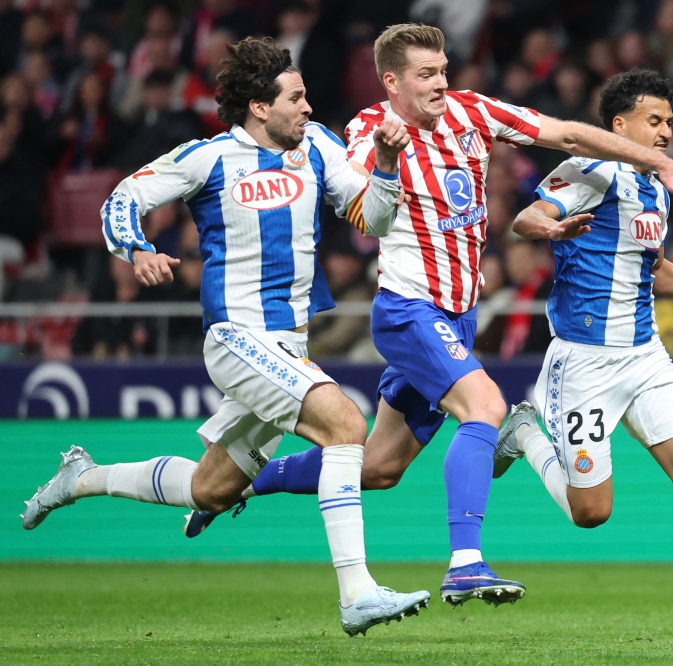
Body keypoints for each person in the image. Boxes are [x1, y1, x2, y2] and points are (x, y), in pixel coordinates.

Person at [182, 25, 673, 609]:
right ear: (391, 81)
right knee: (485, 406)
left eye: (443, 70)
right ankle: (465, 564)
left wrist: (659, 163)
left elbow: (564, 133)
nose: (442, 82)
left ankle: (241, 484)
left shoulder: (472, 112)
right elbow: (361, 206)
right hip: (409, 308)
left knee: (382, 467)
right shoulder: (368, 131)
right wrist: (384, 161)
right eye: (426, 74)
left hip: (458, 314)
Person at [20, 36, 430, 637]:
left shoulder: (318, 146)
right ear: (260, 107)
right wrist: (136, 248)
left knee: (209, 489)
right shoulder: (205, 158)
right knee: (346, 424)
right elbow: (122, 198)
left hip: (288, 347)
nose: (309, 108)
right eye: (297, 97)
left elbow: (374, 218)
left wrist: (387, 167)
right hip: (237, 340)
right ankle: (357, 593)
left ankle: (80, 478)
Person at [493, 69, 673, 650]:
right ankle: (524, 432)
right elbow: (526, 219)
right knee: (591, 513)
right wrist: (554, 228)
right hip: (584, 363)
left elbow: (650, 269)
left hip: (646, 356)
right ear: (619, 124)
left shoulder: (655, 187)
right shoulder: (590, 169)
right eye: (656, 121)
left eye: (671, 122)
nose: (667, 132)